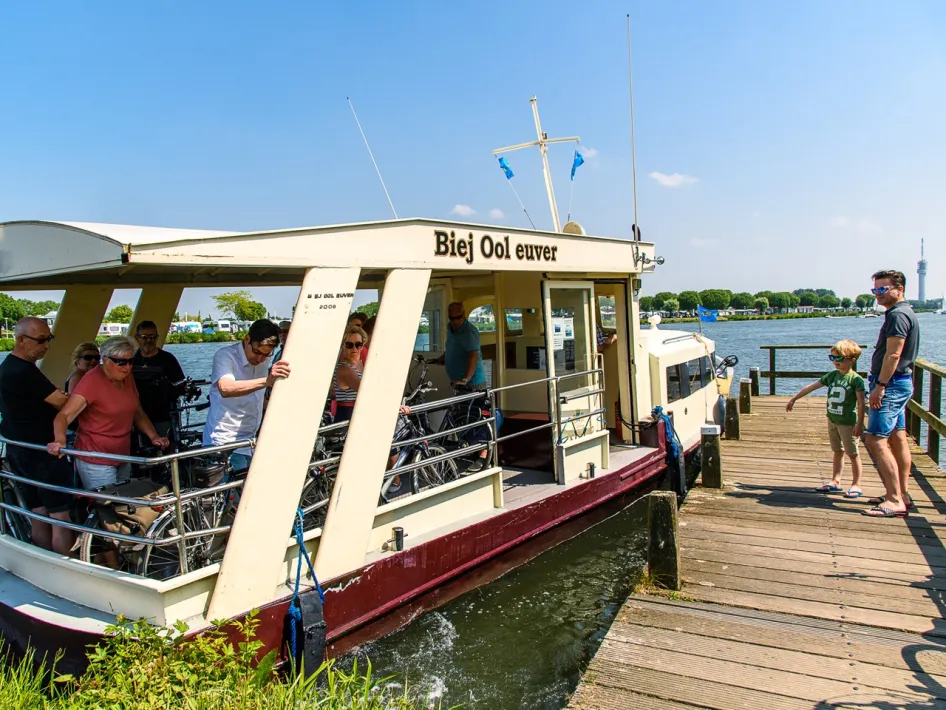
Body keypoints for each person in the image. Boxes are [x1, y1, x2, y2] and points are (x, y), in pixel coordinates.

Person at [49, 336, 169, 490]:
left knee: (125, 504)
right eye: (120, 362)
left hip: (122, 454)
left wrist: (154, 436)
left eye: (130, 361)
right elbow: (64, 416)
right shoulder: (91, 381)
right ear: (105, 359)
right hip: (96, 457)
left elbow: (137, 411)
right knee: (107, 507)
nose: (127, 367)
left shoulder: (128, 377)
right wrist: (60, 440)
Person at [0, 317, 75, 555]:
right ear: (21, 340)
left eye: (49, 339)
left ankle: (45, 562)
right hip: (44, 452)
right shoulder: (25, 372)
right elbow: (61, 401)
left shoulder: (6, 368)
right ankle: (67, 567)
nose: (47, 345)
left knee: (38, 514)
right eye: (41, 340)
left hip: (19, 450)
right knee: (61, 517)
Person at [862, 269, 920, 518]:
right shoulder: (903, 312)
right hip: (900, 381)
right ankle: (901, 494)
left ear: (900, 289)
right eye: (875, 289)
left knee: (875, 438)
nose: (878, 294)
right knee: (897, 436)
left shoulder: (898, 315)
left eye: (883, 289)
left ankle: (894, 499)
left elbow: (893, 354)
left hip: (891, 384)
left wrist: (880, 386)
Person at [202, 319, 290, 470]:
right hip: (224, 440)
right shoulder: (225, 356)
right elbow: (226, 388)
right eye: (257, 352)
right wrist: (267, 381)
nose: (260, 359)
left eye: (267, 355)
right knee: (230, 492)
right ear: (247, 339)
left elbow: (257, 398)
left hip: (251, 440)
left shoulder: (263, 359)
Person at [785, 340, 866, 498]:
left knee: (853, 453)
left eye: (840, 358)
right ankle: (835, 481)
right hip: (832, 419)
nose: (836, 361)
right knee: (837, 451)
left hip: (848, 422)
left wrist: (860, 423)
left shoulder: (856, 379)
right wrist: (794, 398)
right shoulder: (832, 376)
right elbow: (812, 387)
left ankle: (856, 484)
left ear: (852, 360)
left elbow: (862, 403)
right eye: (833, 358)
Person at [444, 301, 489, 474]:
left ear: (464, 316)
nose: (455, 321)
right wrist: (441, 359)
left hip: (473, 384)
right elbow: (452, 349)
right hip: (459, 385)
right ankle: (470, 451)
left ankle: (483, 457)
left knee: (478, 419)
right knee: (461, 419)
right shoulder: (451, 329)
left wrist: (465, 378)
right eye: (452, 318)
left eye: (458, 317)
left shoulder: (469, 331)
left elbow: (473, 355)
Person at [131, 320, 186, 446]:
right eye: (144, 337)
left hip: (163, 416)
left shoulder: (168, 359)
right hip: (136, 415)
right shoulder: (131, 360)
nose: (148, 341)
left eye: (152, 337)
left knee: (165, 446)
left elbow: (180, 385)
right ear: (137, 338)